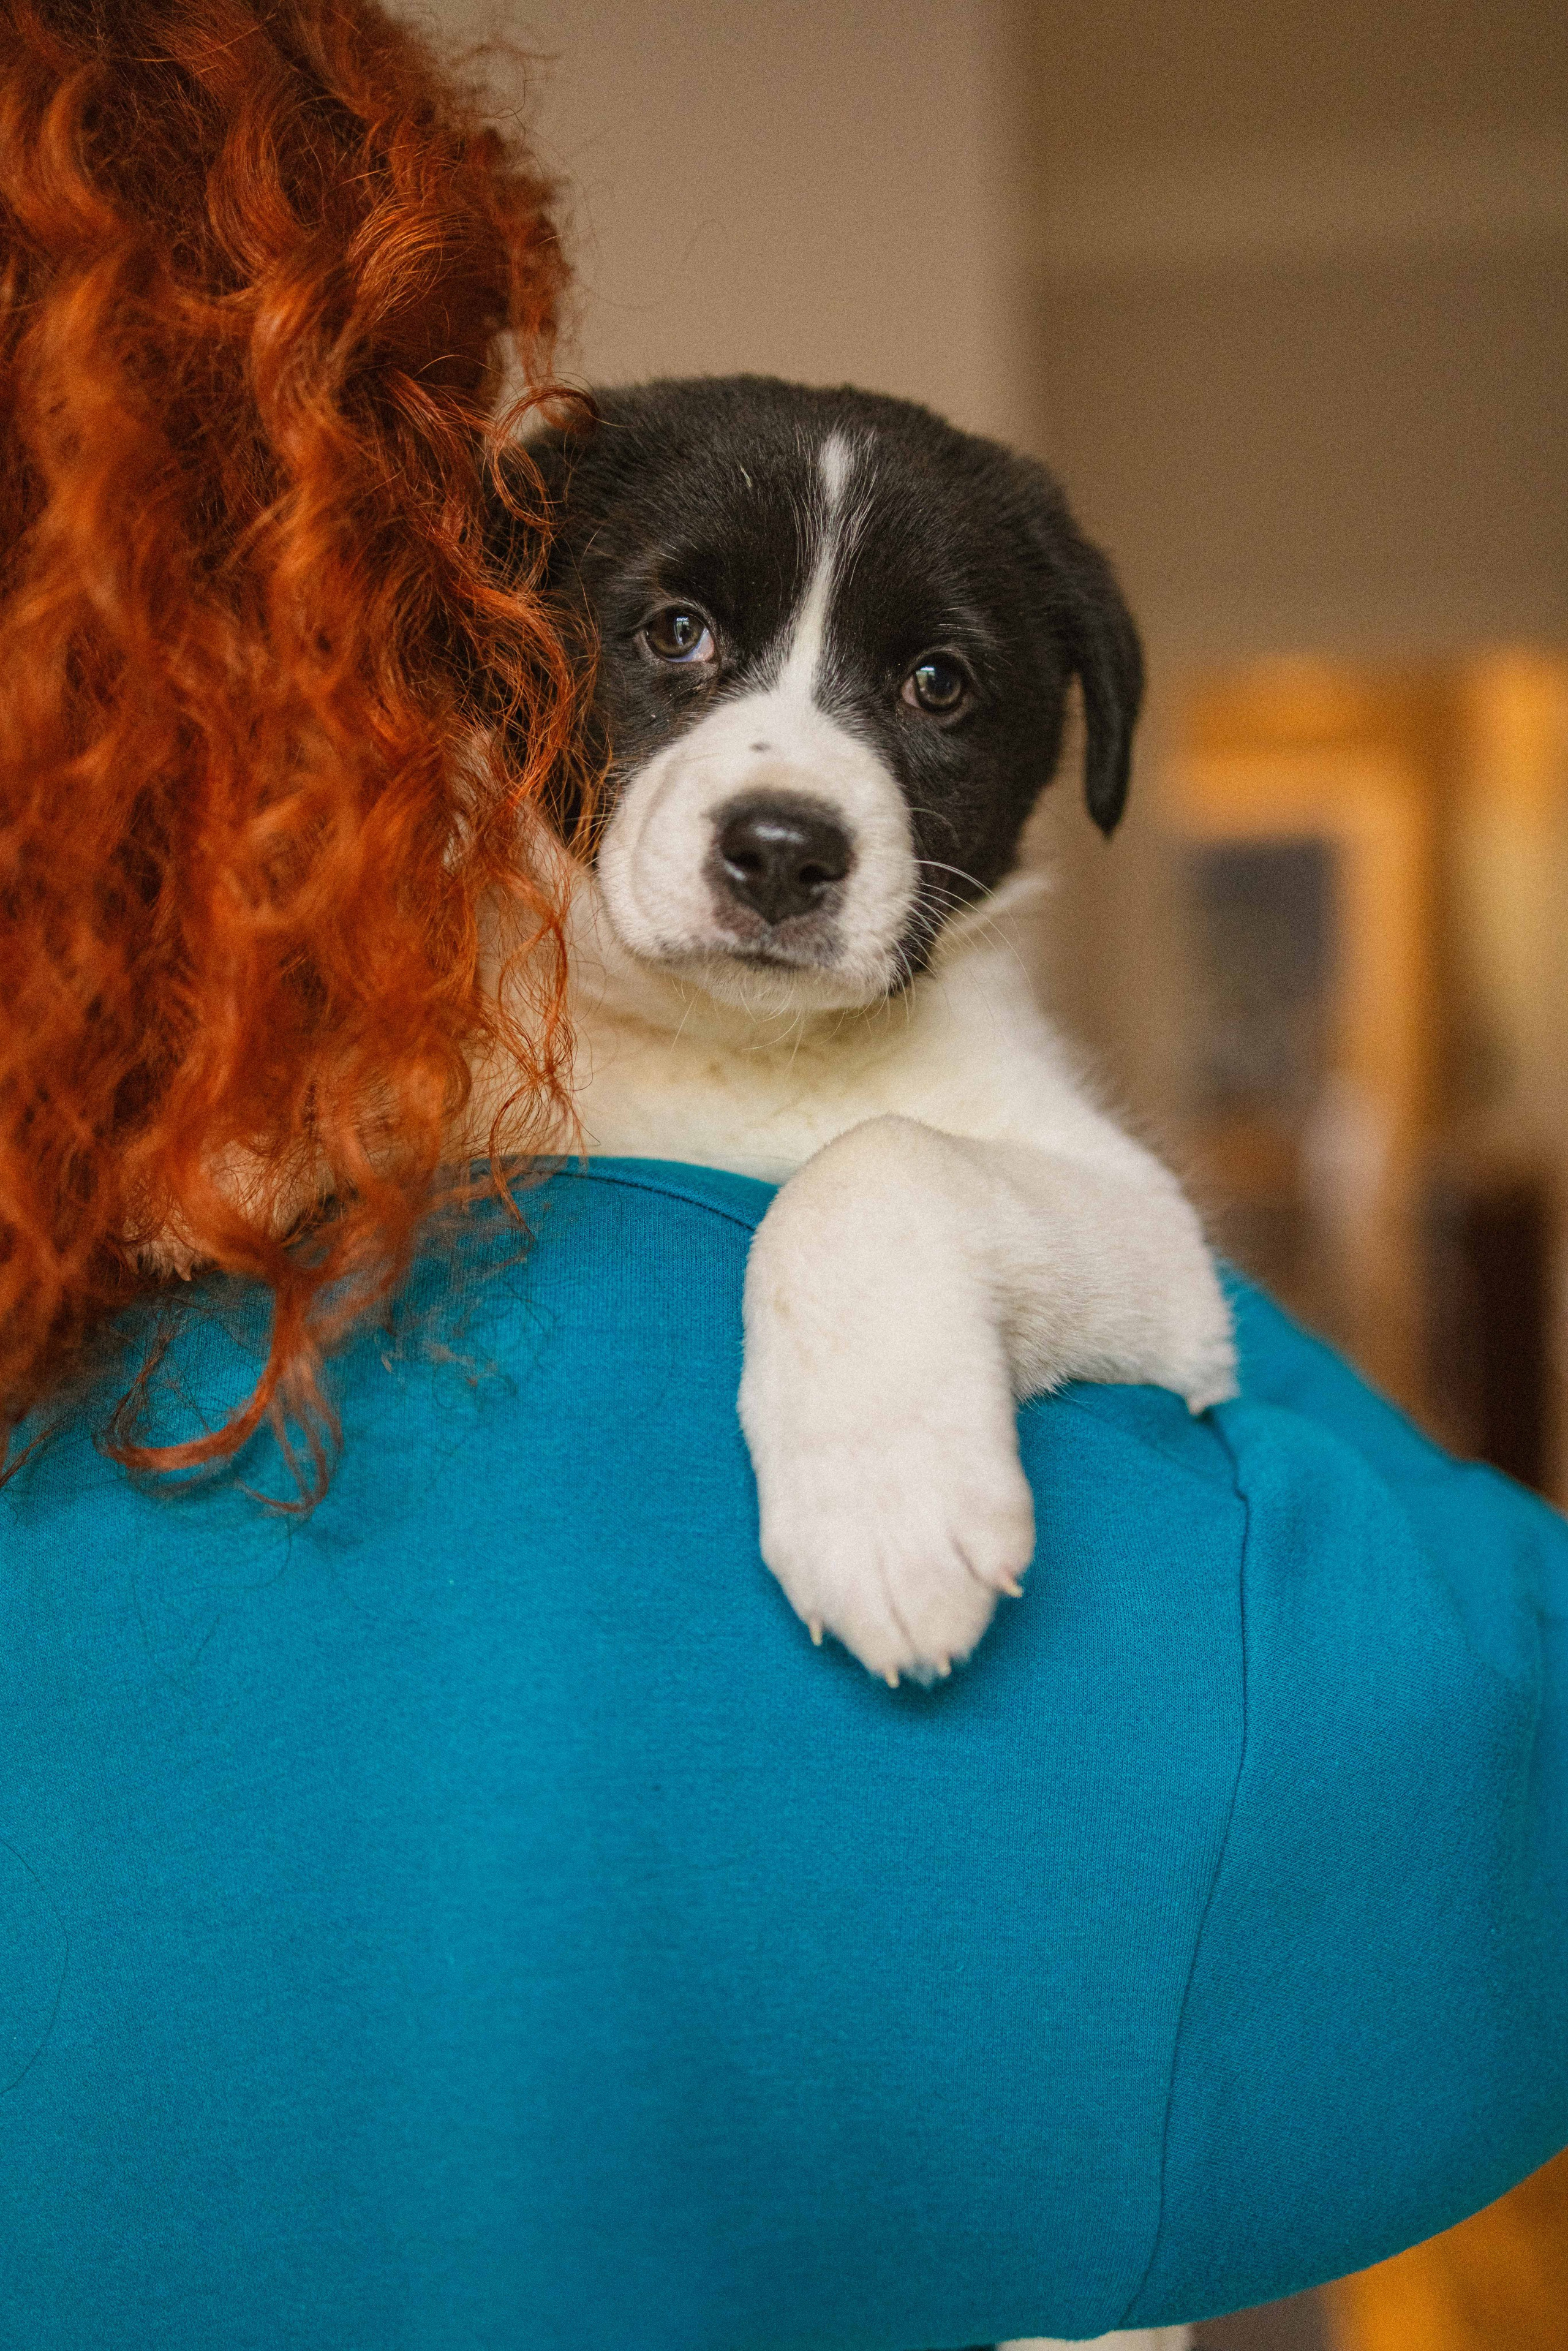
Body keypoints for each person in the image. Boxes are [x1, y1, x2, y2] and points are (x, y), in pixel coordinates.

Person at [1, 7, 1564, 2350]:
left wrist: (896, 1236)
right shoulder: (381, 1077)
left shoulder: (947, 1093)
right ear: (503, 649)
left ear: (1066, 743)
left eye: (932, 687)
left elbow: (1143, 1280)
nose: (788, 775)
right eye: (677, 635)